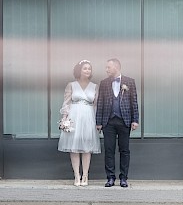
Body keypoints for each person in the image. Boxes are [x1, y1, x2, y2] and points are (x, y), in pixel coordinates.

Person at [95, 57, 139, 187]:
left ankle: (124, 178)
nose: (106, 69)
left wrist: (135, 120)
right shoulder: (103, 83)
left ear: (116, 67)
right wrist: (99, 121)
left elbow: (134, 102)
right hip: (108, 121)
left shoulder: (129, 82)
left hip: (124, 120)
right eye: (106, 67)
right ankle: (110, 177)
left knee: (124, 150)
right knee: (109, 150)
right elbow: (100, 103)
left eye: (109, 67)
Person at [58, 59, 100, 186]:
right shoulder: (71, 85)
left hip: (88, 117)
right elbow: (66, 103)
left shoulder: (95, 86)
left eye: (89, 68)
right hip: (74, 116)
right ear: (79, 70)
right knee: (74, 147)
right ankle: (77, 175)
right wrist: (64, 119)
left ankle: (85, 176)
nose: (87, 70)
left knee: (87, 148)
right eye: (85, 68)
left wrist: (97, 121)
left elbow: (96, 105)